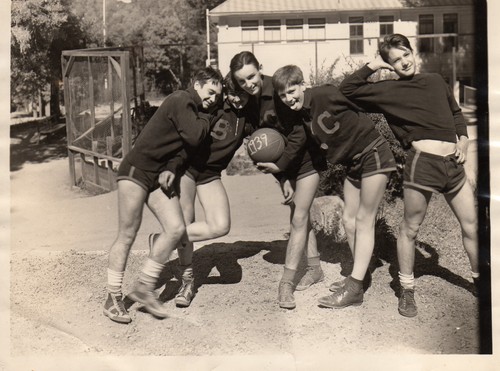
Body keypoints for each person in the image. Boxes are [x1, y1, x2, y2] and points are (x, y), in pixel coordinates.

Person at [339, 33, 479, 317]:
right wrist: (374, 65)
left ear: (412, 52)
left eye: (406, 55)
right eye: (395, 60)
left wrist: (463, 140)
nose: (404, 62)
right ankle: (406, 289)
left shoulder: (436, 80)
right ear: (389, 64)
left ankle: (481, 282)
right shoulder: (387, 90)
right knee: (410, 229)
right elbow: (348, 89)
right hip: (422, 165)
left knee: (472, 226)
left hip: (453, 163)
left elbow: (456, 113)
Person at [103, 67, 223, 324]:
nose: (213, 99)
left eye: (217, 96)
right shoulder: (182, 100)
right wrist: (209, 116)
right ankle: (112, 298)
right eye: (211, 92)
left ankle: (144, 286)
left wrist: (170, 168)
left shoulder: (193, 108)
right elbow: (193, 137)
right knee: (127, 233)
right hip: (136, 170)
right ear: (198, 84)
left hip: (156, 175)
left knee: (177, 228)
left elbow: (180, 147)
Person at [272, 65, 396, 309]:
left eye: (292, 90)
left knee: (364, 220)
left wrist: (373, 65)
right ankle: (361, 276)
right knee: (348, 220)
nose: (289, 98)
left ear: (302, 85)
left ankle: (354, 288)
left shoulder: (322, 94)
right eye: (283, 95)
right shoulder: (303, 116)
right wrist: (281, 172)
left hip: (373, 153)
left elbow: (350, 90)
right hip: (353, 163)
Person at [148, 72, 255, 308]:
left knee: (221, 226)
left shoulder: (247, 116)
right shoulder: (212, 107)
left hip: (210, 175)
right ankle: (188, 282)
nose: (237, 100)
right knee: (188, 219)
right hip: (186, 169)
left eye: (243, 95)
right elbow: (184, 140)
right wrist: (172, 167)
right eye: (233, 94)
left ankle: (163, 239)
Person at [230, 52, 328, 309]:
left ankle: (286, 283)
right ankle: (315, 267)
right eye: (241, 81)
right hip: (284, 166)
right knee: (300, 213)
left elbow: (298, 135)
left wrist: (282, 167)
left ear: (260, 69)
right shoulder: (246, 100)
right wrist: (282, 176)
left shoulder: (278, 90)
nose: (248, 84)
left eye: (252, 76)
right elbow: (260, 140)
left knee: (297, 218)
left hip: (305, 160)